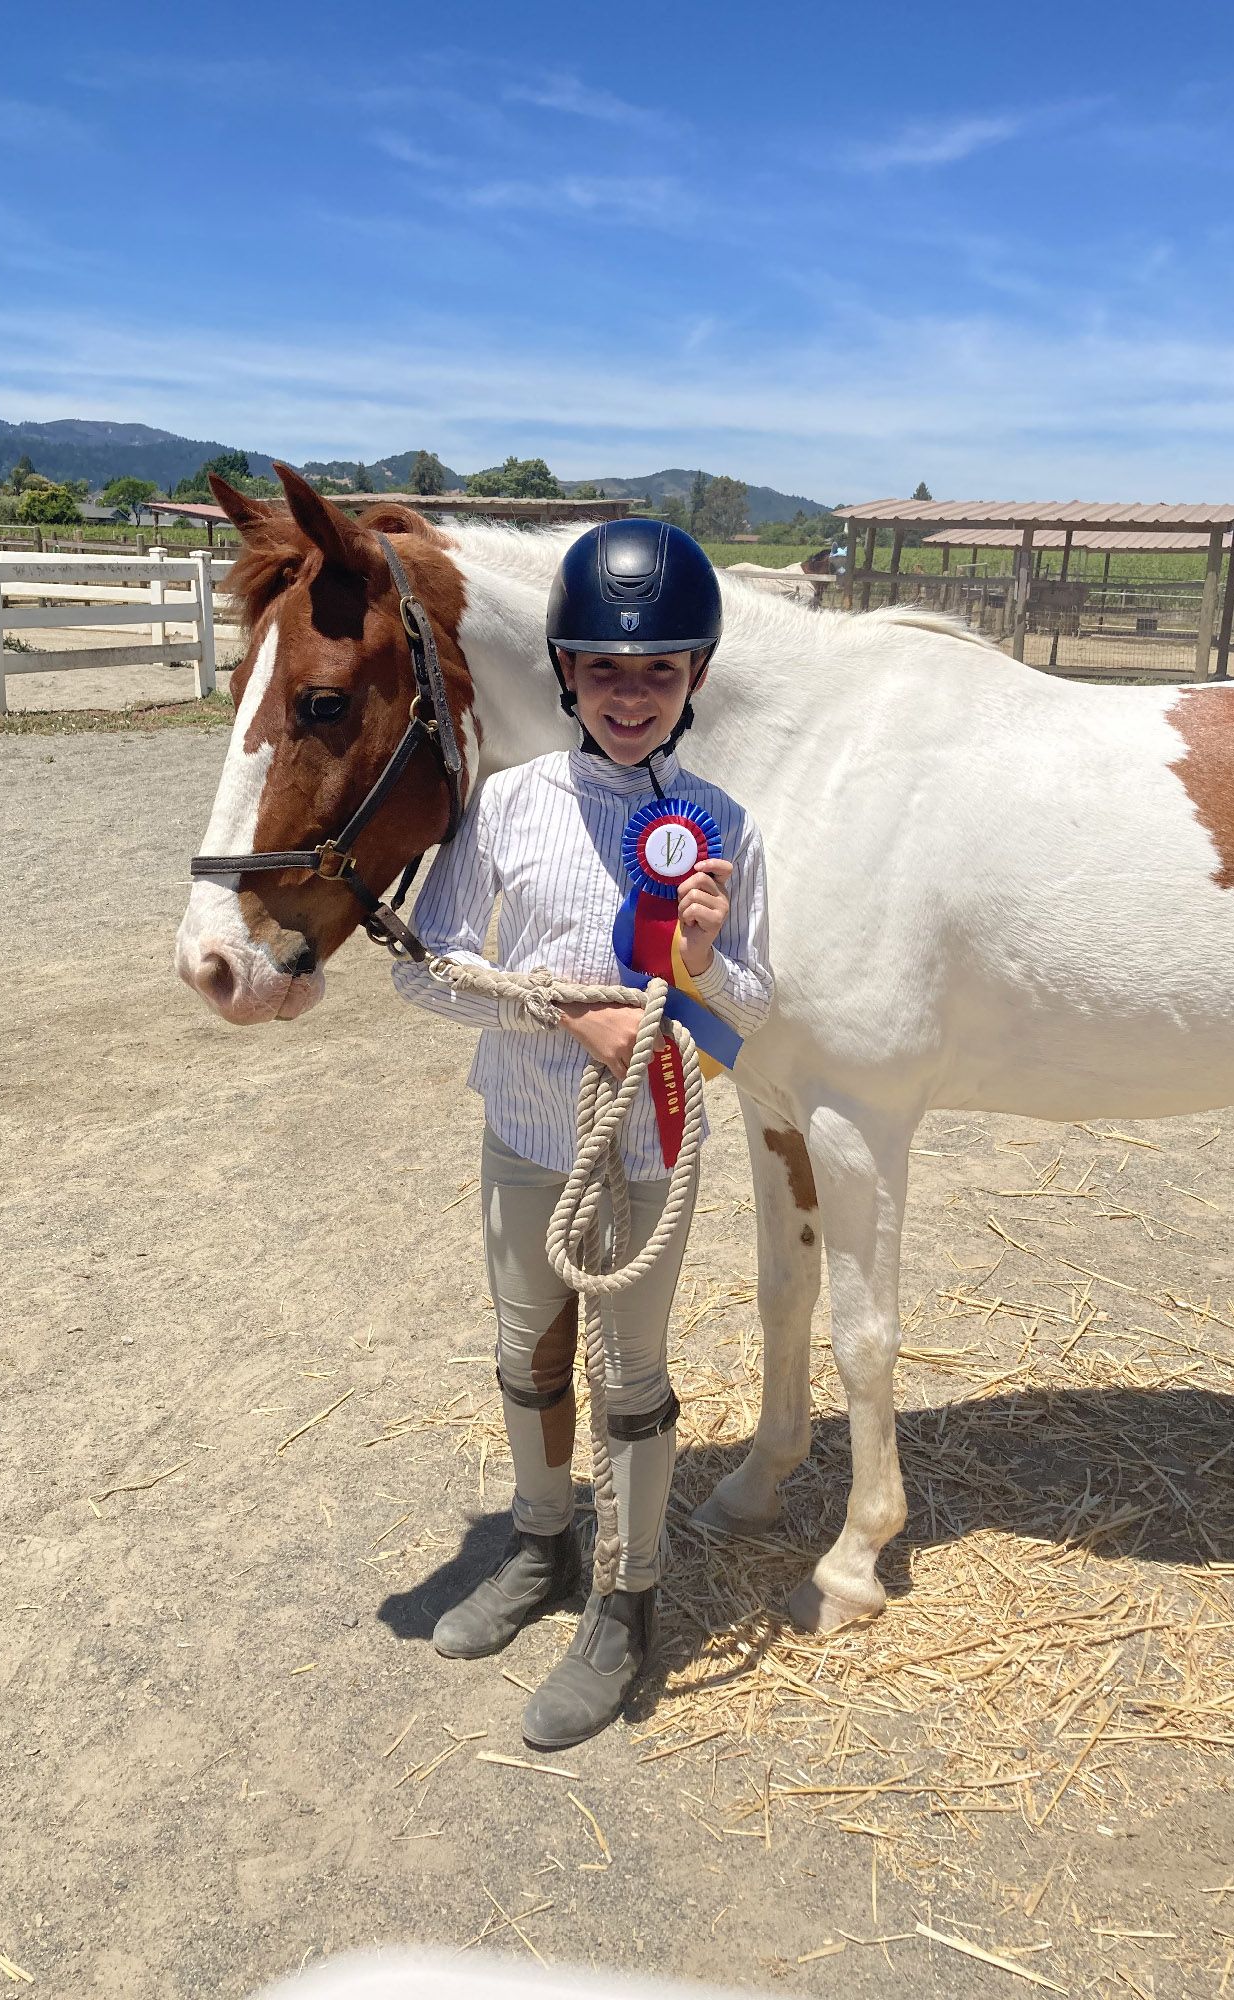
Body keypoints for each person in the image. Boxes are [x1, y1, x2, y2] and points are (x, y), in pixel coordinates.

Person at [392, 519, 773, 1750]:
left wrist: (705, 959)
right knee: (525, 1349)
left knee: (634, 1379)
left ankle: (628, 1597)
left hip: (652, 1143)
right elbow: (423, 968)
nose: (629, 693)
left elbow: (759, 1007)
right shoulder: (505, 806)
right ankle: (542, 1538)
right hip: (525, 1127)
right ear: (564, 668)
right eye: (605, 668)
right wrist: (564, 1008)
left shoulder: (721, 823)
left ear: (696, 679)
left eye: (659, 669)